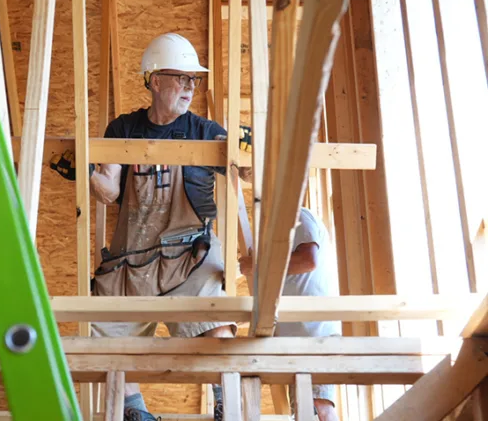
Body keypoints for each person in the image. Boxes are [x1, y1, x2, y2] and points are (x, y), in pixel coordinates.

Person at [51, 32, 251, 421]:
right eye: (181, 78)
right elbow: (108, 191)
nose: (190, 88)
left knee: (217, 323)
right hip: (132, 261)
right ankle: (135, 412)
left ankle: (228, 403)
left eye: (194, 80)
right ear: (155, 80)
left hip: (189, 256)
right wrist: (88, 173)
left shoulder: (204, 131)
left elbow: (245, 171)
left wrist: (248, 150)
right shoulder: (124, 128)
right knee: (103, 334)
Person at [238, 206, 341, 421]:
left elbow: (308, 260)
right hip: (294, 340)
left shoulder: (297, 215)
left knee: (316, 406)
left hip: (314, 336)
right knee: (304, 410)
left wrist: (258, 266)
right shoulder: (274, 237)